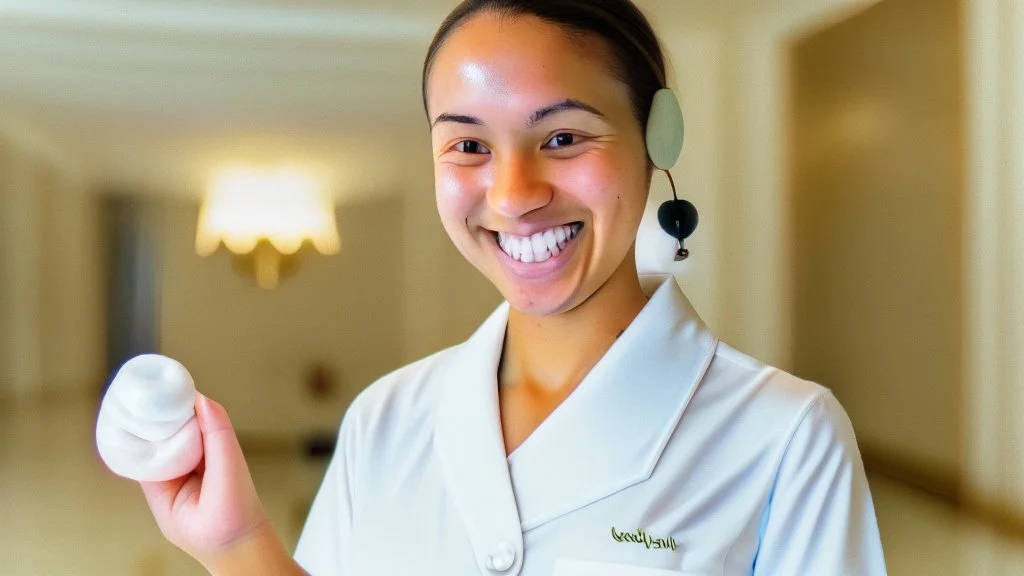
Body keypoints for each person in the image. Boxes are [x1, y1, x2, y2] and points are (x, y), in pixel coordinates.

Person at [138, 0, 887, 574]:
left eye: (562, 137)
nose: (512, 193)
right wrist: (236, 542)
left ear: (659, 137)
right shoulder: (387, 419)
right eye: (467, 145)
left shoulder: (787, 438)